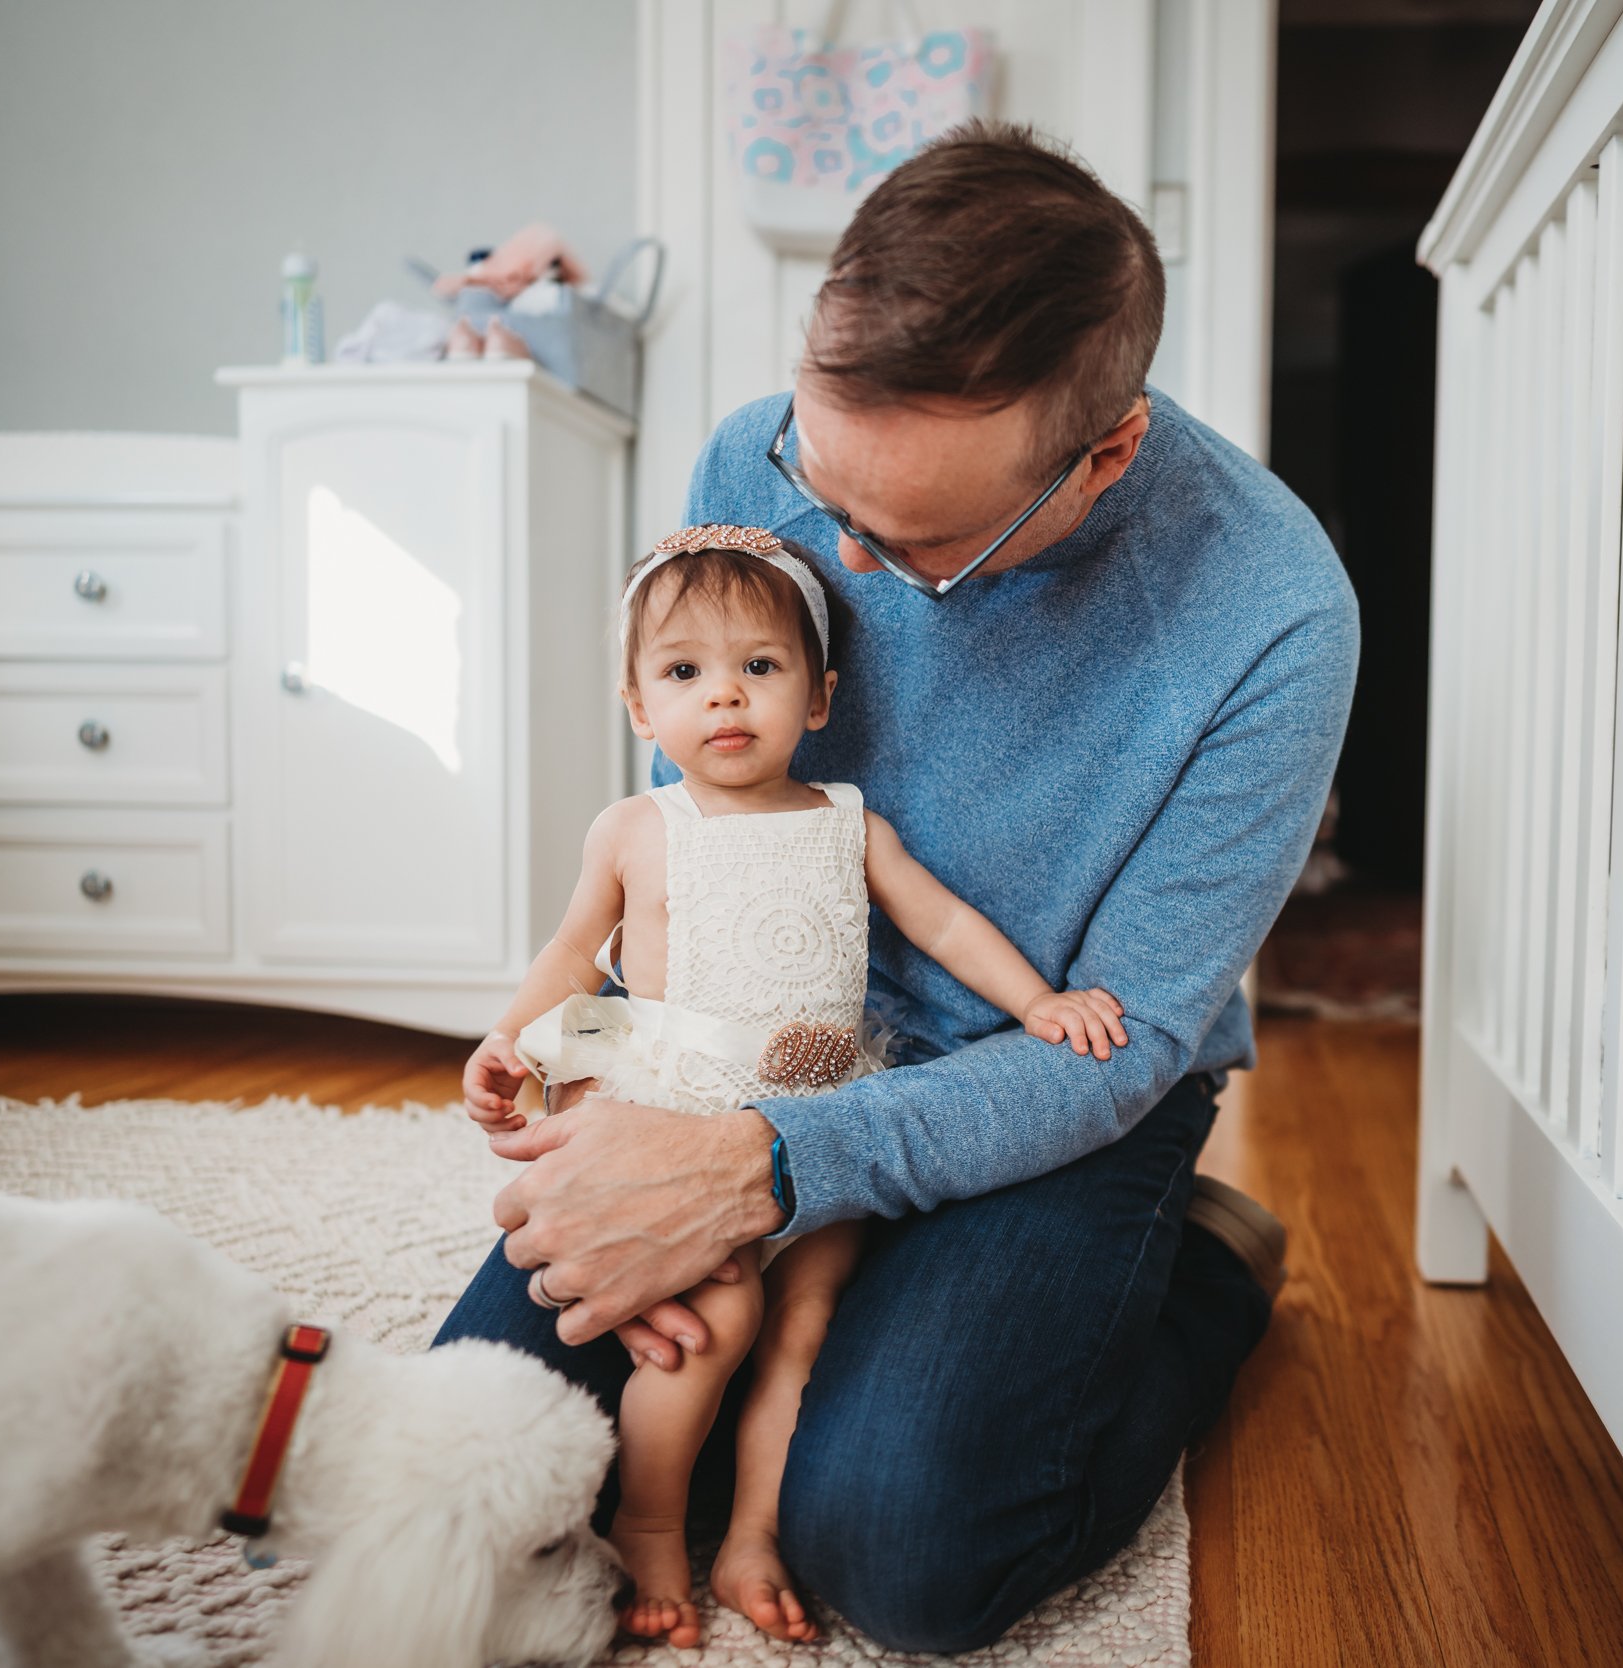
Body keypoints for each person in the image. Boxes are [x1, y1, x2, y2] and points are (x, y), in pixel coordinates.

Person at [434, 117, 1356, 1654]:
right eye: (821, 490)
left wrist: (766, 1170)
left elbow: (1116, 1042)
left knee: (907, 1556)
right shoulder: (754, 462)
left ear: (1105, 449)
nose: (840, 564)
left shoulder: (1271, 617)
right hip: (759, 1038)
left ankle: (1199, 1267)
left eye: (912, 547)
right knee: (494, 1450)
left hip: (1045, 1078)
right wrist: (630, 1107)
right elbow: (704, 829)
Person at [458, 523, 1127, 1647]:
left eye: (758, 670)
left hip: (819, 1118)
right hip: (679, 1103)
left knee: (803, 1328)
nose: (724, 700)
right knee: (709, 1325)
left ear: (816, 698)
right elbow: (577, 957)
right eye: (684, 675)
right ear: (638, 708)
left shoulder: (849, 821)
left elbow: (947, 924)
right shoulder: (636, 828)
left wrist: (1035, 1006)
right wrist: (511, 1039)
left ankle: (753, 1531)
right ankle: (654, 1522)